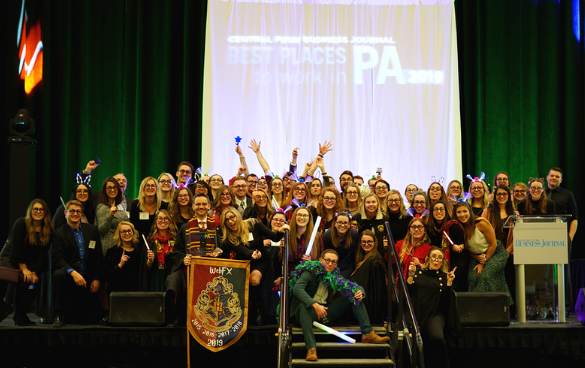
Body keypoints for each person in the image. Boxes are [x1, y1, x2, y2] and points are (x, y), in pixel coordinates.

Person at [289, 249, 390, 362]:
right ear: (321, 260)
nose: (330, 264)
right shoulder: (310, 271)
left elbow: (349, 285)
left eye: (333, 262)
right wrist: (314, 305)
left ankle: (367, 333)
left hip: (325, 310)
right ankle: (311, 348)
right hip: (305, 312)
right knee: (304, 307)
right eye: (327, 261)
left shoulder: (334, 273)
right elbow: (297, 289)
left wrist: (360, 291)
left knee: (353, 296)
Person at [213, 207, 290, 325]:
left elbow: (273, 237)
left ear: (237, 216)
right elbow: (240, 250)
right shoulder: (228, 237)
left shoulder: (253, 223)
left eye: (232, 217)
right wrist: (215, 255)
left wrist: (280, 230)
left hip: (261, 261)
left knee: (253, 280)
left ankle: (257, 310)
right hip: (242, 263)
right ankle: (242, 313)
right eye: (226, 220)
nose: (230, 222)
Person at [167, 193, 220, 326]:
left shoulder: (217, 227)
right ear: (193, 206)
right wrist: (184, 259)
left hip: (211, 269)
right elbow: (177, 251)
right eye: (198, 204)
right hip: (190, 268)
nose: (201, 207)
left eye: (204, 204)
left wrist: (218, 253)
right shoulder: (186, 228)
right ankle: (178, 317)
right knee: (174, 280)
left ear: (209, 206)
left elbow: (222, 247)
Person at [0, 200, 52, 326]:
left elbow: (41, 255)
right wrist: (25, 270)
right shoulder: (21, 223)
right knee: (24, 278)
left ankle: (22, 314)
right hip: (10, 258)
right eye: (35, 209)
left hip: (30, 264)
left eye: (41, 209)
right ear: (30, 211)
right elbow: (16, 249)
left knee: (35, 281)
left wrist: (34, 272)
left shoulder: (47, 229)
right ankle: (18, 316)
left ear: (45, 212)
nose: (38, 212)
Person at [52, 200, 104, 327]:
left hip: (88, 278)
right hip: (70, 277)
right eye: (72, 211)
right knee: (58, 274)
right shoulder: (58, 233)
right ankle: (58, 315)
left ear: (81, 213)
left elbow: (98, 256)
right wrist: (73, 273)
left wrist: (97, 278)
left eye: (78, 211)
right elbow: (57, 258)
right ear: (65, 213)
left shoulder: (92, 230)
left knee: (91, 320)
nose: (75, 213)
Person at [406, 247, 461, 368]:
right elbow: (408, 293)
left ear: (442, 261)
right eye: (434, 257)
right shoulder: (418, 273)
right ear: (428, 259)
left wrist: (449, 283)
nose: (436, 260)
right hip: (418, 312)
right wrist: (410, 275)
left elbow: (446, 302)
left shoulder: (445, 276)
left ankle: (445, 363)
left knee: (437, 337)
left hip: (436, 313)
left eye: (440, 258)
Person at [453, 202, 510, 300]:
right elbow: (467, 250)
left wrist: (483, 262)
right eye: (459, 212)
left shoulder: (481, 223)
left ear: (470, 212)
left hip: (496, 253)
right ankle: (475, 308)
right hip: (476, 256)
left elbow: (493, 244)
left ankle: (494, 306)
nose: (462, 215)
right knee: (472, 278)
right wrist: (477, 257)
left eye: (464, 211)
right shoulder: (459, 228)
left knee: (485, 276)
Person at [545, 167, 578, 315]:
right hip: (542, 238)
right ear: (547, 177)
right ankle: (547, 306)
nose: (554, 178)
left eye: (557, 177)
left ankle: (566, 306)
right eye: (552, 176)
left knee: (564, 272)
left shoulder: (568, 194)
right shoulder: (540, 193)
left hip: (562, 237)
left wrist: (569, 237)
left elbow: (574, 218)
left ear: (561, 180)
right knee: (544, 272)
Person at [481, 185, 518, 312]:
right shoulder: (487, 211)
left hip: (509, 253)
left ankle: (511, 310)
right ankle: (493, 309)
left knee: (509, 280)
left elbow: (518, 235)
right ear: (494, 197)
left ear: (509, 196)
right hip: (491, 251)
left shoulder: (515, 214)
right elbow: (481, 231)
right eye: (499, 194)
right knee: (492, 279)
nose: (501, 196)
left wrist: (508, 250)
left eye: (504, 194)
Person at [427, 201, 467, 292]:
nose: (439, 212)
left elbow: (462, 244)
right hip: (438, 263)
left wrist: (459, 248)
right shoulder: (430, 227)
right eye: (436, 209)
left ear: (446, 211)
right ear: (432, 212)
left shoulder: (453, 225)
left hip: (456, 262)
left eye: (441, 209)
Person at [104, 221, 153, 295]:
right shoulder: (112, 251)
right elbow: (107, 275)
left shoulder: (139, 251)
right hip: (117, 293)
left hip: (137, 291)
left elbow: (145, 271)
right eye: (123, 231)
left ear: (133, 232)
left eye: (129, 231)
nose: (127, 234)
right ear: (119, 234)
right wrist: (120, 265)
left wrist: (150, 261)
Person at [349, 230, 387, 324]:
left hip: (370, 304)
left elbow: (377, 289)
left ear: (374, 242)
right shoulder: (364, 257)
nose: (366, 244)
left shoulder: (374, 259)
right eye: (364, 242)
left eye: (369, 241)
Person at [260, 211, 288, 324]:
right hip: (264, 276)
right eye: (276, 219)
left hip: (279, 277)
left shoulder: (286, 238)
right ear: (271, 222)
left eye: (282, 220)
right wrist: (261, 244)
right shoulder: (263, 236)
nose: (278, 222)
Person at [145, 210, 177, 292]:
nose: (163, 221)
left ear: (170, 221)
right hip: (155, 278)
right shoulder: (150, 240)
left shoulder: (176, 239)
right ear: (155, 222)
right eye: (160, 218)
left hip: (172, 277)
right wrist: (150, 260)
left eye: (166, 218)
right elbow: (146, 268)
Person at [322, 212, 358, 278]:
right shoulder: (327, 235)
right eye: (340, 222)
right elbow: (326, 254)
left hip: (346, 265)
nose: (342, 225)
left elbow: (350, 256)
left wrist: (339, 273)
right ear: (335, 224)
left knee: (341, 280)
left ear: (349, 224)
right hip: (330, 264)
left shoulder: (354, 235)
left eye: (345, 223)